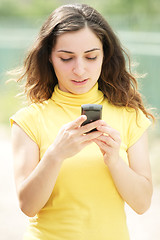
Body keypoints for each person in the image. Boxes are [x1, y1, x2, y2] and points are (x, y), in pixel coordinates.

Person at [10, 3, 154, 240]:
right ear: (49, 58)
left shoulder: (130, 116)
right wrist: (55, 154)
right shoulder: (29, 120)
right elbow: (27, 206)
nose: (79, 69)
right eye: (66, 58)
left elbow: (142, 204)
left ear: (104, 55)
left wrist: (114, 160)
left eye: (91, 57)